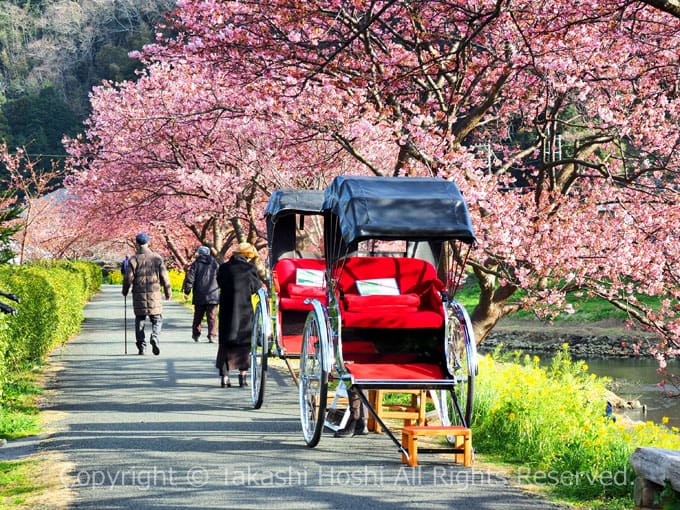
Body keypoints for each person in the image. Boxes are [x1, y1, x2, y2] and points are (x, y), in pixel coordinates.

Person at [215, 242, 261, 388]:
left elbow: (220, 283)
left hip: (227, 310)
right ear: (247, 256)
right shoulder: (250, 269)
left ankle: (225, 378)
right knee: (244, 344)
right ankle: (243, 378)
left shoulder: (224, 267)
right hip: (244, 311)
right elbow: (255, 287)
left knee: (225, 344)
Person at [122, 233, 172, 355]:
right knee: (157, 319)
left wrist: (125, 290)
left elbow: (128, 277)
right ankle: (154, 336)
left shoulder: (133, 259)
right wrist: (168, 292)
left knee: (140, 320)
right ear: (148, 242)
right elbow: (165, 277)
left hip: (139, 294)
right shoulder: (157, 258)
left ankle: (141, 347)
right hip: (154, 293)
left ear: (137, 243)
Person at [182, 245, 219, 343]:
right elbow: (220, 277)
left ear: (199, 253)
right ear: (208, 253)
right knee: (212, 317)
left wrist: (187, 291)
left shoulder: (196, 264)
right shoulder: (215, 263)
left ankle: (196, 334)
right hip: (213, 294)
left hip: (199, 294)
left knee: (198, 316)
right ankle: (212, 335)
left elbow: (190, 278)